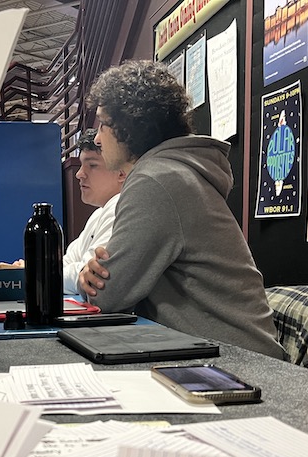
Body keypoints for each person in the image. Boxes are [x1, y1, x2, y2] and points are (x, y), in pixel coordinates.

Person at [79, 60, 285, 359]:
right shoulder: (174, 172)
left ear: (129, 126)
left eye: (103, 123)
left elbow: (108, 296)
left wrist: (90, 276)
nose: (97, 137)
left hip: (235, 365)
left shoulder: (156, 181)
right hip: (232, 355)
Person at [63, 129, 126, 294]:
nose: (79, 174)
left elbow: (89, 275)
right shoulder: (99, 213)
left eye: (92, 165)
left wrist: (43, 274)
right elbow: (66, 265)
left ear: (121, 172)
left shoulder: (120, 206)